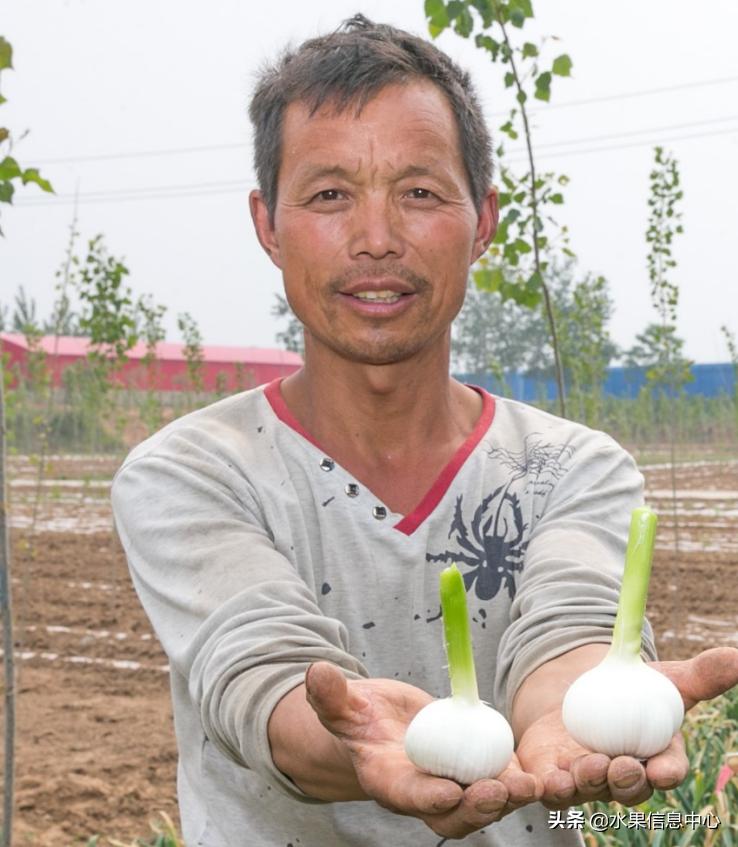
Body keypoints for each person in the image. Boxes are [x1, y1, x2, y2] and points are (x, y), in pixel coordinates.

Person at [111, 14, 738, 846]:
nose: (376, 240)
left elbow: (571, 628)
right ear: (268, 224)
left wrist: (572, 713)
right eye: (331, 194)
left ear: (484, 219)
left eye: (420, 192)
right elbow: (256, 671)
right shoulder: (189, 471)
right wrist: (359, 732)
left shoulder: (572, 467)